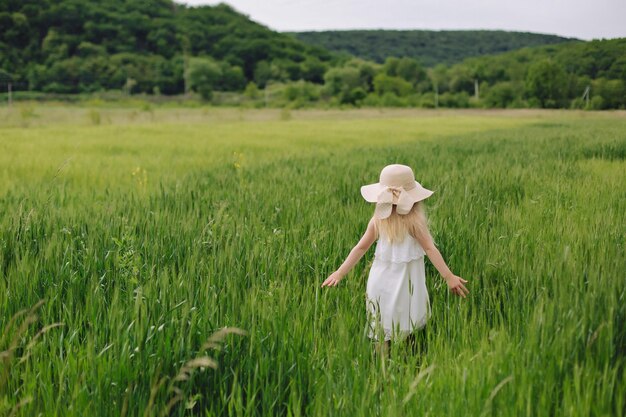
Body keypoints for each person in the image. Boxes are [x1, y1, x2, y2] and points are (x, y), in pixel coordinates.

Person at [321, 164, 469, 350]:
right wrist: (449, 277)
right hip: (408, 284)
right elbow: (431, 249)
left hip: (380, 282)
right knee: (407, 323)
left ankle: (381, 370)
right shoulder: (414, 221)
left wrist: (339, 272)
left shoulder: (379, 220)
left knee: (382, 328)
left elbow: (360, 248)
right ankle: (407, 363)